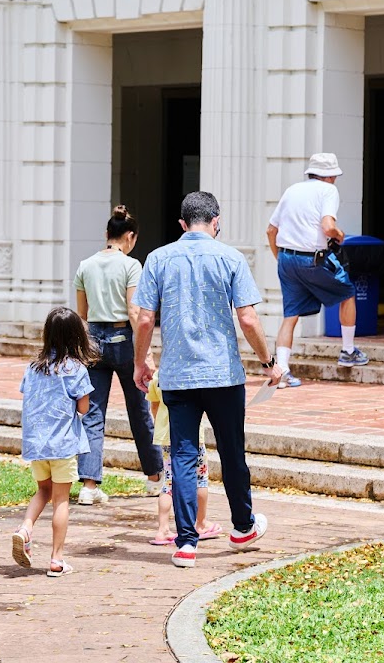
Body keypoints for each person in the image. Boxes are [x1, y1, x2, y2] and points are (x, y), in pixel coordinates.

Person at [132, 191, 283, 569]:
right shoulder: (231, 257)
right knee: (232, 452)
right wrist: (268, 361)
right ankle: (243, 526)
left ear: (182, 224)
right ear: (216, 220)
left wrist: (140, 362)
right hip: (222, 374)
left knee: (182, 456)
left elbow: (145, 318)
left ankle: (185, 544)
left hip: (178, 375)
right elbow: (247, 318)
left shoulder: (158, 258)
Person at [73, 205, 164, 504]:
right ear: (130, 236)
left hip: (94, 340)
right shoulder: (131, 266)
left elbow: (82, 314)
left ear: (106, 234)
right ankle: (154, 478)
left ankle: (89, 486)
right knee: (139, 410)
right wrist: (145, 354)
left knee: (92, 412)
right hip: (124, 339)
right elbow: (135, 311)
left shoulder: (85, 265)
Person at [266, 152, 369, 387]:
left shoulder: (292, 190)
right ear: (330, 176)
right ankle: (348, 351)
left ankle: (281, 372)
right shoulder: (328, 191)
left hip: (286, 258)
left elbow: (271, 230)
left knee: (290, 315)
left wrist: (280, 258)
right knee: (348, 293)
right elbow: (328, 226)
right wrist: (340, 235)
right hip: (312, 259)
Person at [11, 307, 97, 577]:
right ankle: (57, 560)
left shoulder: (33, 367)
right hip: (63, 445)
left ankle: (25, 529)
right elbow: (83, 408)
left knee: (43, 491)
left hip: (37, 444)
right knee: (61, 500)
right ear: (76, 337)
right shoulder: (75, 369)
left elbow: (28, 398)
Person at [146, 372, 221, 545]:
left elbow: (154, 407)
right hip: (191, 436)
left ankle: (162, 529)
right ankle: (201, 523)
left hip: (166, 436)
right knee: (200, 479)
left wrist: (161, 425)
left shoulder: (158, 376)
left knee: (169, 482)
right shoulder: (191, 375)